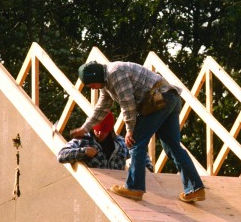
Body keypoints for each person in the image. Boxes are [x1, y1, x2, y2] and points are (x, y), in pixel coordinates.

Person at [69, 61, 205, 203]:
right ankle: (195, 189)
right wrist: (85, 128)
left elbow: (128, 103)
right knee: (173, 146)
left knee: (135, 143)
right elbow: (102, 108)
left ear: (95, 77)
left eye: (91, 85)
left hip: (158, 99)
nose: (92, 89)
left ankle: (134, 187)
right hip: (170, 98)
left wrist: (130, 130)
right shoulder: (106, 83)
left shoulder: (115, 73)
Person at [57, 111, 129, 170]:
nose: (99, 133)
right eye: (97, 130)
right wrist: (84, 152)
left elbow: (135, 156)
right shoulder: (83, 140)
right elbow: (61, 155)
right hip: (94, 185)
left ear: (110, 129)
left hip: (118, 186)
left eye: (103, 130)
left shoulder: (121, 143)